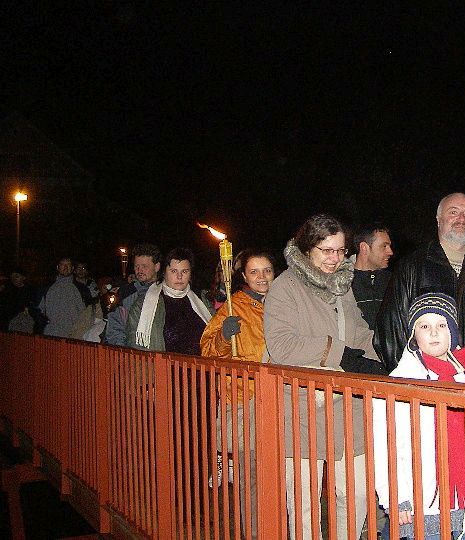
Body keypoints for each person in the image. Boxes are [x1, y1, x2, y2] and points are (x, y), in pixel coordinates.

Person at [264, 214, 385, 540]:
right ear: (307, 248)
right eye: (326, 250)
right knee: (304, 502)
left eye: (340, 250)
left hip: (348, 405)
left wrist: (382, 359)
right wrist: (337, 352)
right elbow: (281, 345)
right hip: (304, 406)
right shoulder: (285, 287)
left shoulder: (341, 287)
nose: (335, 258)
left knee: (357, 493)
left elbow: (359, 332)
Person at [373, 293, 465, 540]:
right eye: (424, 326)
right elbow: (385, 445)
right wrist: (395, 496)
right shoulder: (401, 381)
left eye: (442, 325)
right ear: (413, 335)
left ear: (453, 331)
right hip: (423, 498)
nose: (434, 333)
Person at [200, 248, 277, 538]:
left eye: (267, 270)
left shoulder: (282, 304)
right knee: (251, 475)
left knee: (277, 474)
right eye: (254, 272)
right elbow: (207, 351)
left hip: (278, 399)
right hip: (244, 399)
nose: (262, 277)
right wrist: (223, 336)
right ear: (244, 275)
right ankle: (255, 533)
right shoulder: (234, 307)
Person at [374, 193, 465, 372]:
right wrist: (414, 377)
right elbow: (390, 331)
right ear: (438, 220)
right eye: (453, 212)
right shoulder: (412, 266)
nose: (462, 218)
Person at [126, 248, 212, 353]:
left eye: (184, 271)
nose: (179, 277)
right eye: (173, 271)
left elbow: (215, 336)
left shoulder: (202, 301)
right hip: (162, 363)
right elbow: (136, 347)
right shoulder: (143, 305)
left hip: (201, 363)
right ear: (164, 273)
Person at [105, 243, 162, 346]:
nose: (139, 270)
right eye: (136, 266)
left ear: (157, 267)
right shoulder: (126, 292)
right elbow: (115, 325)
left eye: (144, 266)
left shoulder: (166, 292)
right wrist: (123, 350)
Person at [351, 223, 394, 330]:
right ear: (364, 248)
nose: (390, 252)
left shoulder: (393, 282)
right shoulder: (342, 283)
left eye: (389, 246)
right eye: (384, 246)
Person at [39, 257, 86, 337]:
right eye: (62, 264)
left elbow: (87, 311)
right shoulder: (47, 288)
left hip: (74, 335)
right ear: (58, 267)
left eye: (68, 265)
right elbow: (39, 310)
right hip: (52, 334)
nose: (65, 267)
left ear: (72, 268)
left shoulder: (81, 288)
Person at [0, 268, 35, 332]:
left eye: (17, 276)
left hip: (20, 323)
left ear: (23, 277)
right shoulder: (8, 289)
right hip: (6, 322)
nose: (14, 279)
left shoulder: (30, 290)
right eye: (12, 277)